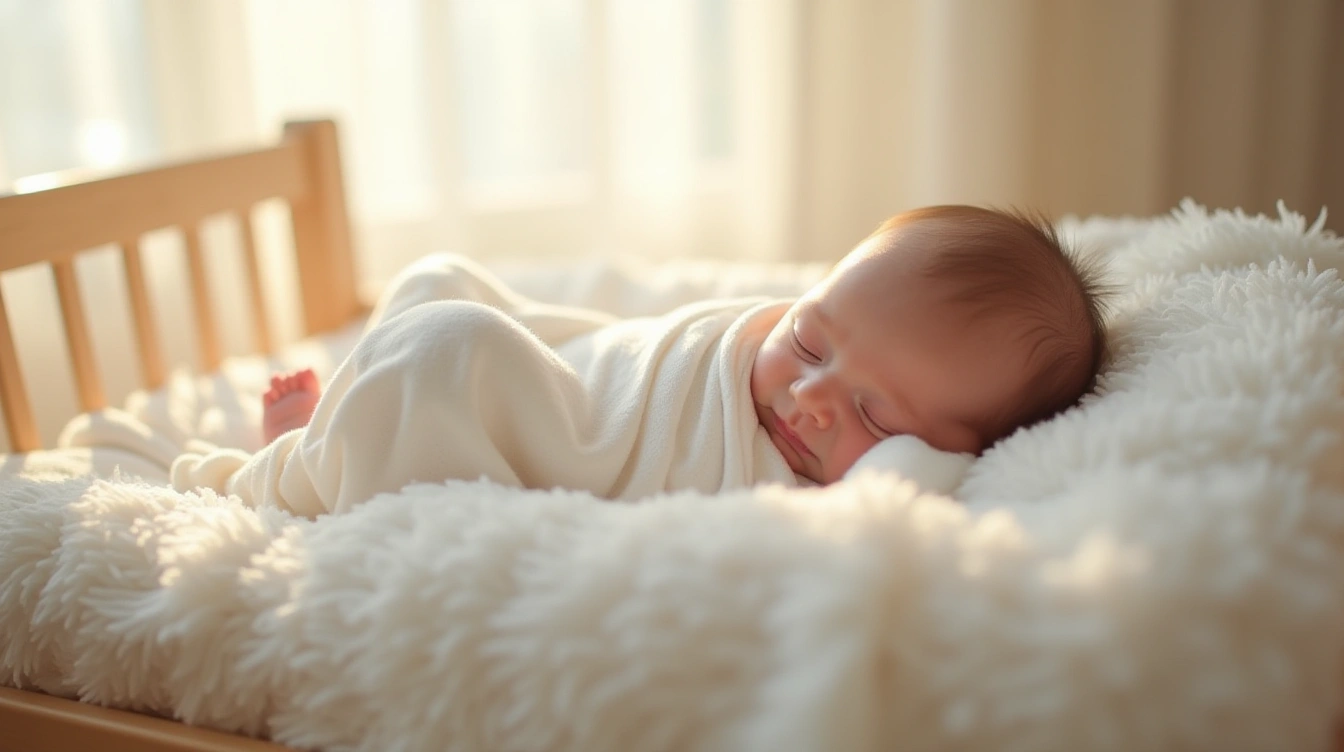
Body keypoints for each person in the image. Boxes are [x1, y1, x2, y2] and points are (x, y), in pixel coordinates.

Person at [173, 205, 1106, 517]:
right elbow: (645, 347)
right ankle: (348, 416)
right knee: (440, 281)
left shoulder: (865, 490)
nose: (810, 393)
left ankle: (288, 471)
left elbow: (909, 499)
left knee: (446, 353)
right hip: (582, 373)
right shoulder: (784, 349)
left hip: (567, 437)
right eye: (809, 340)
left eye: (876, 414)